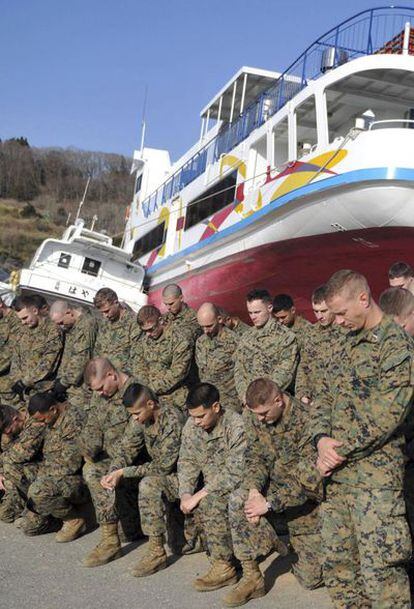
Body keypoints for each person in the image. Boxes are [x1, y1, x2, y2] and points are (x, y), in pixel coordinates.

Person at [312, 269, 414, 609]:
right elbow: (321, 396)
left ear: (363, 298)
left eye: (340, 313)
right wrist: (321, 439)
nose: (336, 321)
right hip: (337, 480)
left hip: (375, 484)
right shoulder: (342, 344)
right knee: (341, 571)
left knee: (381, 576)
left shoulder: (396, 346)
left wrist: (335, 449)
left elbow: (387, 415)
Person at [225, 378, 322, 607]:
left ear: (279, 400)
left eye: (264, 413)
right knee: (239, 499)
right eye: (255, 414)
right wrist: (254, 491)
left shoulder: (306, 421)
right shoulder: (254, 415)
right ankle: (252, 578)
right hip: (272, 491)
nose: (260, 419)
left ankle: (281, 541)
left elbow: (308, 483)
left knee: (311, 579)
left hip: (304, 503)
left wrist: (268, 504)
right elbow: (254, 457)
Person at [101, 382, 184, 577]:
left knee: (149, 484)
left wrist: (124, 472)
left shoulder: (172, 420)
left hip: (182, 476)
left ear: (150, 404)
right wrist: (113, 472)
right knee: (100, 473)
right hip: (162, 471)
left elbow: (164, 467)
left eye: (136, 414)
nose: (135, 419)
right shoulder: (141, 418)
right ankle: (110, 538)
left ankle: (156, 552)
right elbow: (126, 448)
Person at [178, 383, 246, 593]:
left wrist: (200, 494)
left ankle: (224, 567)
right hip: (210, 485)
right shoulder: (192, 425)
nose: (196, 422)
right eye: (193, 417)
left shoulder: (235, 425)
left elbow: (235, 472)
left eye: (201, 416)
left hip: (238, 485)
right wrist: (186, 493)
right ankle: (201, 541)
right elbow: (187, 461)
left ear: (216, 407)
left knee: (211, 500)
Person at [79, 358, 139, 567]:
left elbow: (133, 443)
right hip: (112, 462)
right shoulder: (101, 397)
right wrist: (86, 451)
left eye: (102, 388)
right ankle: (110, 538)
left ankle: (113, 538)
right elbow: (92, 429)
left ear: (112, 375)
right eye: (96, 390)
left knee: (96, 473)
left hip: (136, 463)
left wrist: (114, 471)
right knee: (91, 469)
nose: (100, 394)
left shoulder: (136, 392)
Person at [21, 392, 87, 540]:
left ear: (53, 409)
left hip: (77, 479)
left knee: (38, 490)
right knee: (30, 527)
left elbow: (71, 465)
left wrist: (42, 476)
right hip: (56, 474)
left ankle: (73, 519)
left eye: (43, 419)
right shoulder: (53, 420)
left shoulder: (73, 420)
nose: (43, 424)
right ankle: (52, 514)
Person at [234, 289, 298, 402]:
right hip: (248, 403)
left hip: (272, 402)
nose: (253, 317)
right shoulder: (246, 337)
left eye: (257, 312)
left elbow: (285, 373)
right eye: (250, 313)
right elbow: (239, 369)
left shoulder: (286, 337)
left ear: (269, 308)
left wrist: (262, 398)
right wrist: (244, 396)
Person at [133, 305, 197, 412]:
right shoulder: (144, 341)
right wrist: (145, 387)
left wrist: (150, 388)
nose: (148, 334)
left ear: (161, 321)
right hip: (150, 399)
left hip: (174, 399)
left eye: (151, 329)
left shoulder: (179, 340)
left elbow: (177, 373)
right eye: (145, 331)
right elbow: (138, 366)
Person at [4, 295, 63, 406]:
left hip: (40, 392)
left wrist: (25, 382)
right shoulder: (24, 330)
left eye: (25, 318)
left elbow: (48, 364)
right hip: (21, 390)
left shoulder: (52, 331)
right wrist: (16, 381)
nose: (23, 322)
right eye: (20, 319)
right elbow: (16, 358)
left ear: (35, 311)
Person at [295, 285, 345, 403]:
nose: (319, 316)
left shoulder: (346, 331)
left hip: (340, 401)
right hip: (314, 401)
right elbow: (304, 366)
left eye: (323, 311)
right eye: (316, 311)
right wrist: (302, 393)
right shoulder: (311, 333)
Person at [0, 404, 45, 523]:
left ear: (15, 419)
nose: (6, 433)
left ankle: (38, 506)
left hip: (48, 468)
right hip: (30, 468)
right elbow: (8, 451)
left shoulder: (35, 423)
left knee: (10, 467)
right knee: (6, 515)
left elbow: (19, 455)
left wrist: (2, 468)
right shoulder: (14, 427)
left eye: (7, 429)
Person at [49, 300, 98, 407]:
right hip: (71, 387)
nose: (61, 327)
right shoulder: (72, 327)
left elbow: (81, 358)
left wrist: (64, 383)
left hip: (81, 388)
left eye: (61, 322)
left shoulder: (86, 325)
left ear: (69, 312)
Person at [196, 303, 241, 412]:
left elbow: (242, 372)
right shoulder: (200, 342)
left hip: (230, 400)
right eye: (202, 327)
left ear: (219, 319)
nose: (206, 331)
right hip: (208, 399)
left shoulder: (234, 341)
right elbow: (201, 372)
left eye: (209, 326)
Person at [93, 288, 141, 371]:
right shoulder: (105, 323)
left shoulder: (134, 322)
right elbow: (98, 349)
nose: (105, 315)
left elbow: (137, 356)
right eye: (102, 312)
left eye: (107, 311)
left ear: (116, 303)